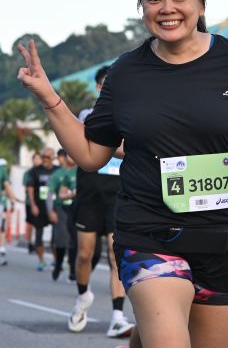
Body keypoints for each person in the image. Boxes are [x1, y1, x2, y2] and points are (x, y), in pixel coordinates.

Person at [17, 0, 228, 348]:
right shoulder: (127, 73)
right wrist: (49, 98)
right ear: (142, 8)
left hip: (227, 240)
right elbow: (91, 155)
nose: (167, 8)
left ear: (201, 4)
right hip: (151, 234)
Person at [68, 65, 133, 339]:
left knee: (116, 255)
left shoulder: (131, 115)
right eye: (106, 82)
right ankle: (83, 296)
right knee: (85, 254)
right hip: (89, 191)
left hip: (117, 192)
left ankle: (117, 317)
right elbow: (91, 141)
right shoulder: (88, 114)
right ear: (98, 87)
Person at [46, 148, 77, 280]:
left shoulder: (82, 171)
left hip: (77, 209)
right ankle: (58, 264)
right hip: (61, 209)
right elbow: (50, 194)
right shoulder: (58, 174)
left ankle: (73, 269)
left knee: (74, 240)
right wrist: (50, 210)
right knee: (62, 240)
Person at [26, 147, 58, 270]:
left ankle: (56, 260)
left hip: (54, 207)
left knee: (56, 236)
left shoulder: (58, 170)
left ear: (53, 158)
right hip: (39, 206)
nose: (45, 159)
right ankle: (41, 261)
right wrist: (33, 205)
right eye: (43, 156)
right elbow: (30, 189)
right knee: (38, 235)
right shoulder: (35, 171)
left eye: (47, 157)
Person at [0, 158, 20, 265]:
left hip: (2, 203)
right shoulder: (2, 171)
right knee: (1, 227)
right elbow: (7, 187)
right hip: (1, 203)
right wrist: (14, 199)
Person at [23, 152, 42, 253]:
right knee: (30, 223)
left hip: (41, 202)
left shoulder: (43, 172)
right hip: (30, 202)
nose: (37, 161)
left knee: (39, 224)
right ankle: (30, 242)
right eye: (36, 159)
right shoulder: (29, 173)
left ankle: (37, 242)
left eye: (39, 158)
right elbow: (27, 187)